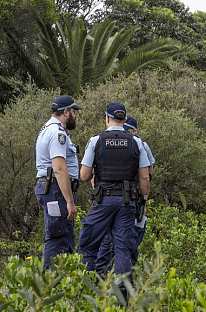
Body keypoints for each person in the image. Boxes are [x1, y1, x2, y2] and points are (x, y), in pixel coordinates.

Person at [78, 102, 151, 282]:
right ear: (125, 120)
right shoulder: (137, 142)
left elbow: (84, 175)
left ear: (107, 118)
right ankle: (121, 298)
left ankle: (86, 290)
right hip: (127, 203)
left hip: (103, 201)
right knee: (123, 250)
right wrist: (143, 200)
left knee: (89, 245)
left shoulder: (96, 140)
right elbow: (145, 178)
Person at [95, 115, 155, 273]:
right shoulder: (137, 144)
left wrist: (143, 202)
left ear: (133, 130)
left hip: (127, 199)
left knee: (127, 244)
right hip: (126, 201)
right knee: (118, 244)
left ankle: (112, 281)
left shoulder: (138, 143)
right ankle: (117, 282)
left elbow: (147, 176)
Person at [34, 95, 82, 271]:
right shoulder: (57, 133)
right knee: (57, 238)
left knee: (65, 237)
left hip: (53, 188)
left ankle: (62, 287)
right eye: (74, 112)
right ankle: (48, 289)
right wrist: (70, 201)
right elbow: (59, 168)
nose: (75, 116)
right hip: (55, 189)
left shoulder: (48, 129)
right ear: (66, 112)